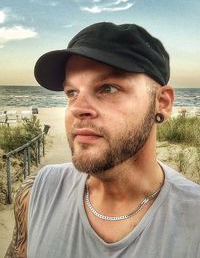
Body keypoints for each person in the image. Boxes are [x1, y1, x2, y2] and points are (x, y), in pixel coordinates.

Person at [5, 22, 200, 258]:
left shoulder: (193, 219)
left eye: (108, 88)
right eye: (72, 93)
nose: (78, 108)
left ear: (162, 103)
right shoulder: (38, 191)